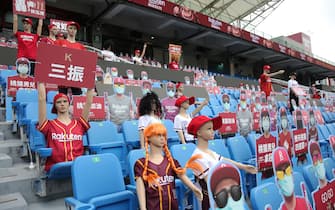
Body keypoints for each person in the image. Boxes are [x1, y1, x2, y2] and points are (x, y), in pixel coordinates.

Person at [187, 115, 257, 210]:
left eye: (212, 128)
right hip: (214, 201)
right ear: (199, 132)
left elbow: (223, 160)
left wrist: (244, 167)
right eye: (209, 129)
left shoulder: (209, 152)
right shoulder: (197, 157)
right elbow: (210, 182)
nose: (213, 131)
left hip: (224, 197)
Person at [135, 123, 203, 210]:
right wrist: (143, 208)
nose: (162, 138)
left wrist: (194, 188)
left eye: (163, 135)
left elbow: (181, 175)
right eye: (158, 135)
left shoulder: (171, 161)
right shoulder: (141, 164)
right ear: (148, 137)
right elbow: (140, 189)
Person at [37, 82, 94, 171]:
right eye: (59, 102)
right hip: (56, 167)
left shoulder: (79, 124)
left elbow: (89, 102)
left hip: (78, 167)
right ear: (55, 106)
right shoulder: (49, 125)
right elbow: (41, 99)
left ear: (69, 104)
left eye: (65, 101)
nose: (62, 104)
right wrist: (40, 81)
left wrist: (90, 82)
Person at [55, 21, 85, 96]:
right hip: (63, 74)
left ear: (76, 31)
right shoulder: (59, 42)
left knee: (77, 97)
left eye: (74, 29)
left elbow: (83, 62)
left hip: (75, 74)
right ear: (67, 29)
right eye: (70, 28)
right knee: (62, 97)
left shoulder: (81, 46)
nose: (72, 30)